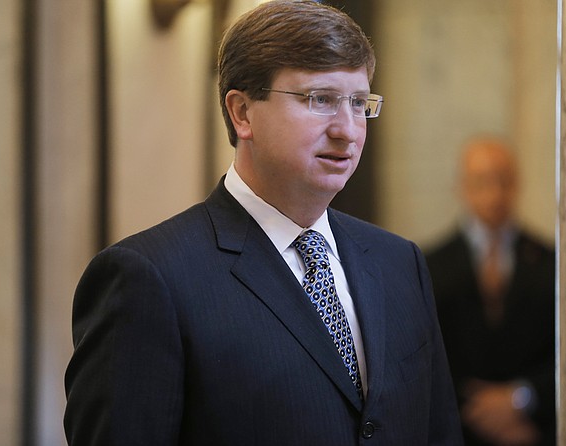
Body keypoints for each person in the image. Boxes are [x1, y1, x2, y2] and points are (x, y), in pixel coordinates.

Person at [64, 1, 462, 444]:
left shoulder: (399, 262)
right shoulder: (149, 277)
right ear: (242, 113)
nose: (348, 130)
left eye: (358, 103)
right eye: (321, 99)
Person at [425, 136, 556, 445]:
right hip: (457, 430)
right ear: (462, 186)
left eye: (503, 180)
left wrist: (521, 400)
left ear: (517, 184)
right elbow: (426, 357)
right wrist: (477, 411)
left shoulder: (550, 261)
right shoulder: (429, 265)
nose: (495, 193)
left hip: (533, 430)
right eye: (482, 181)